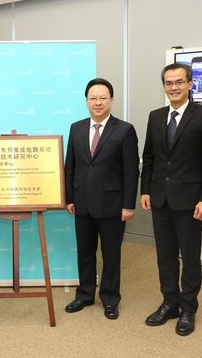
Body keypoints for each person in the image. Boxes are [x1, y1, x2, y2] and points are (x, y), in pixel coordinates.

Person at [140, 63, 202, 336]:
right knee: (165, 257)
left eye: (178, 82)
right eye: (168, 83)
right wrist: (146, 190)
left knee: (190, 257)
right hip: (160, 199)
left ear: (190, 85)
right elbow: (149, 157)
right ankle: (170, 303)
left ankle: (188, 308)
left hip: (190, 201)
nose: (173, 87)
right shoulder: (155, 116)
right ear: (163, 86)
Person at [64, 78, 140, 320]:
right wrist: (69, 197)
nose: (98, 102)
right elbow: (70, 166)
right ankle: (85, 294)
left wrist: (129, 204)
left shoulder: (125, 130)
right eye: (93, 98)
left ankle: (110, 298)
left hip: (112, 206)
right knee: (84, 252)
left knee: (111, 254)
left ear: (111, 101)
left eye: (103, 98)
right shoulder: (76, 128)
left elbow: (131, 171)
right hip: (82, 203)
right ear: (86, 101)